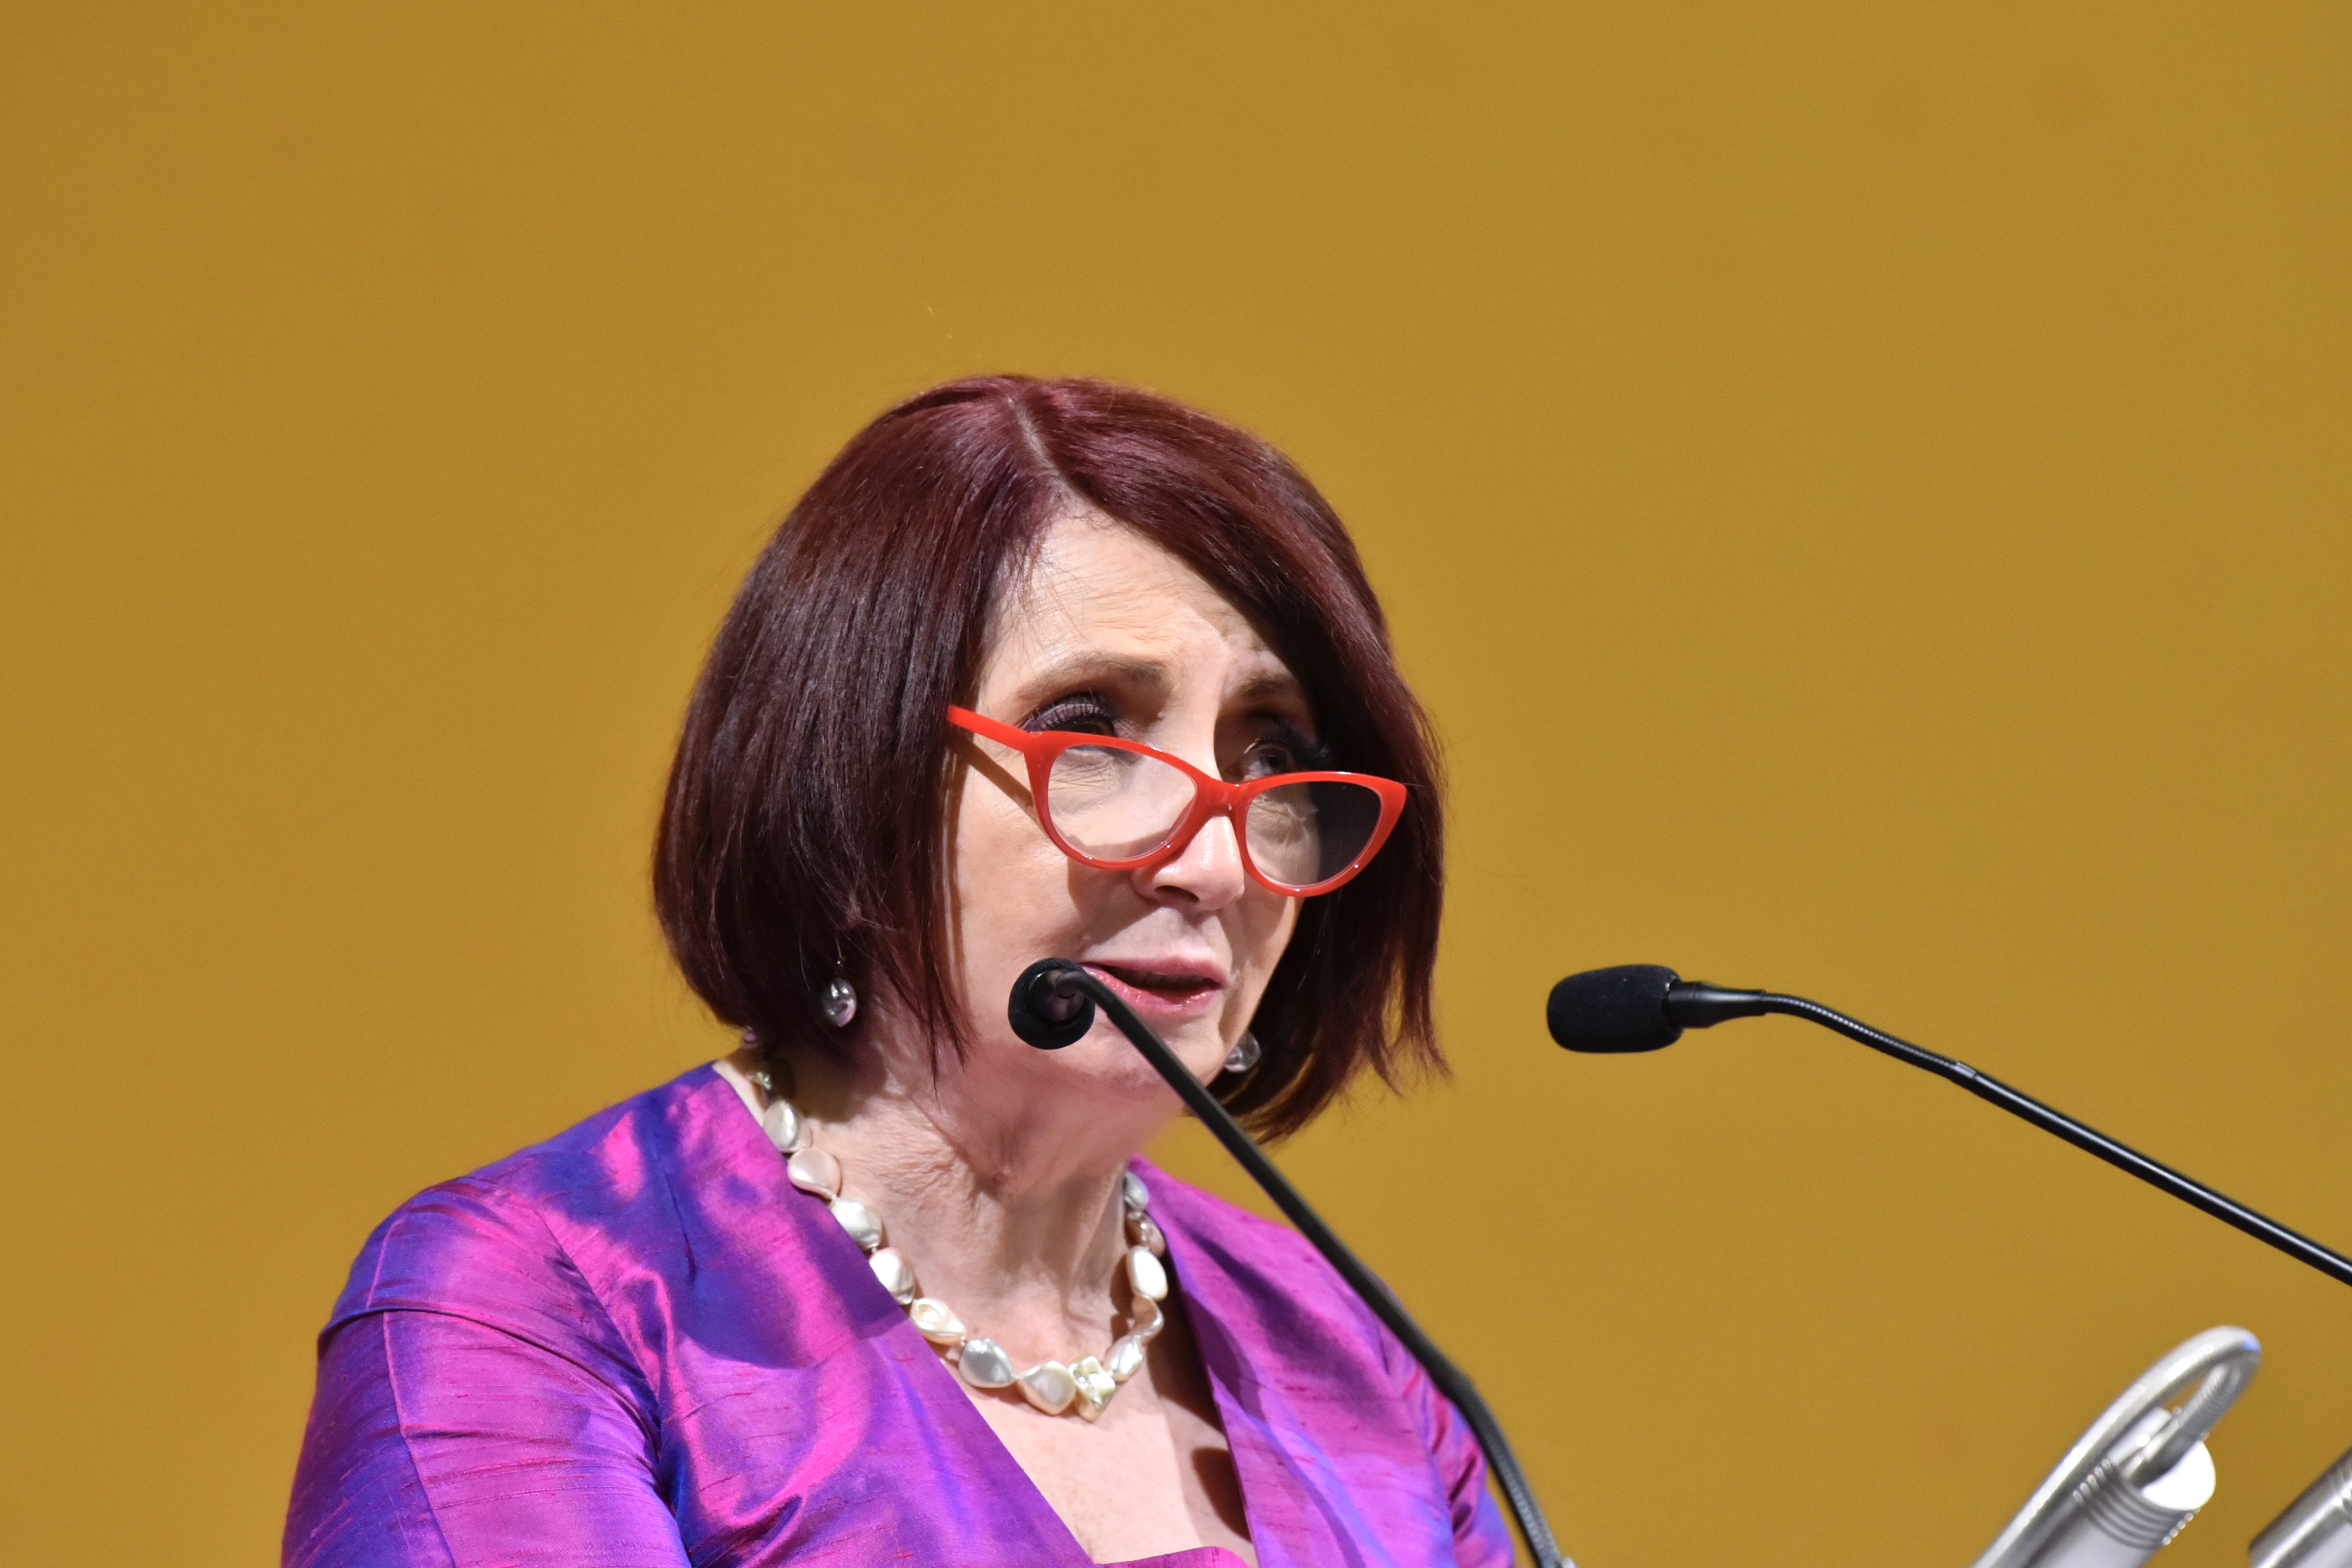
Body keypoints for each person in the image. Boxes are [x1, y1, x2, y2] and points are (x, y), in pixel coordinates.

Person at [283, 375, 1512, 1568]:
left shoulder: (1363, 1369)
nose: (1215, 863)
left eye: (1274, 759)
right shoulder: (533, 1306)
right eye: (1090, 733)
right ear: (853, 782)